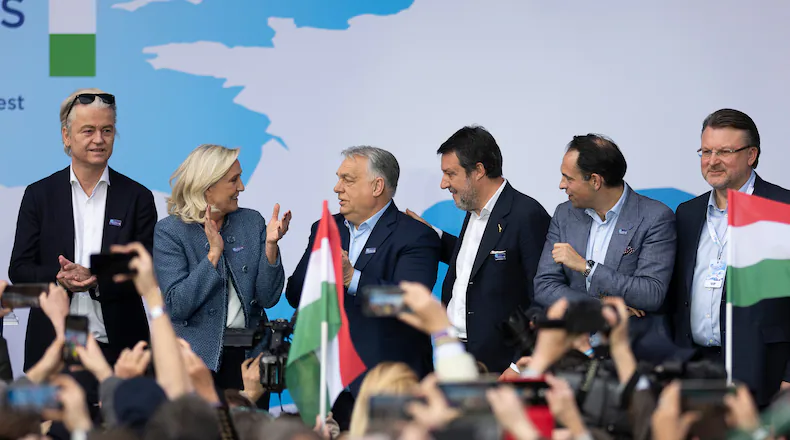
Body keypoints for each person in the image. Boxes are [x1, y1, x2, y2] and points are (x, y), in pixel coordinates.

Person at [9, 88, 155, 372]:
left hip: (121, 350)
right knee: (54, 417)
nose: (99, 140)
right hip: (56, 347)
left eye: (107, 130)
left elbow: (146, 268)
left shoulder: (137, 196)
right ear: (66, 136)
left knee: (120, 418)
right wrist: (59, 276)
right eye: (88, 130)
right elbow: (20, 269)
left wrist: (97, 277)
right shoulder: (39, 195)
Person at [285, 146, 440, 393]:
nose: (337, 188)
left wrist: (351, 278)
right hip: (326, 382)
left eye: (347, 180)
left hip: (386, 384)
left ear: (377, 186)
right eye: (338, 179)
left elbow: (408, 304)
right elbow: (295, 296)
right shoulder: (325, 228)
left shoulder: (415, 236)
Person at [406, 125, 550, 374]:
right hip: (457, 356)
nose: (443, 184)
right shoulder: (473, 209)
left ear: (479, 171)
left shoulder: (526, 215)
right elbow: (476, 262)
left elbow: (543, 297)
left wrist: (519, 365)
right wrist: (433, 236)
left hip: (500, 367)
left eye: (450, 174)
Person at [671, 109, 790, 407]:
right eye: (706, 151)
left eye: (724, 151)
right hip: (696, 365)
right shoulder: (687, 213)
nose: (712, 161)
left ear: (751, 155)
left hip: (764, 369)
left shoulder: (782, 208)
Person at [152, 144, 291, 393]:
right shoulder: (170, 231)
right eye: (234, 180)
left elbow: (268, 299)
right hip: (195, 363)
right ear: (208, 188)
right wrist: (213, 256)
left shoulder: (252, 221)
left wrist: (271, 245)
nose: (242, 187)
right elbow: (177, 306)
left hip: (249, 359)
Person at [532, 134, 677, 364]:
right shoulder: (564, 214)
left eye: (568, 178)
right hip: (572, 352)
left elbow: (651, 293)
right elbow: (544, 286)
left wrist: (586, 267)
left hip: (631, 356)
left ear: (595, 181)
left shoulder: (655, 218)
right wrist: (601, 309)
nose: (561, 185)